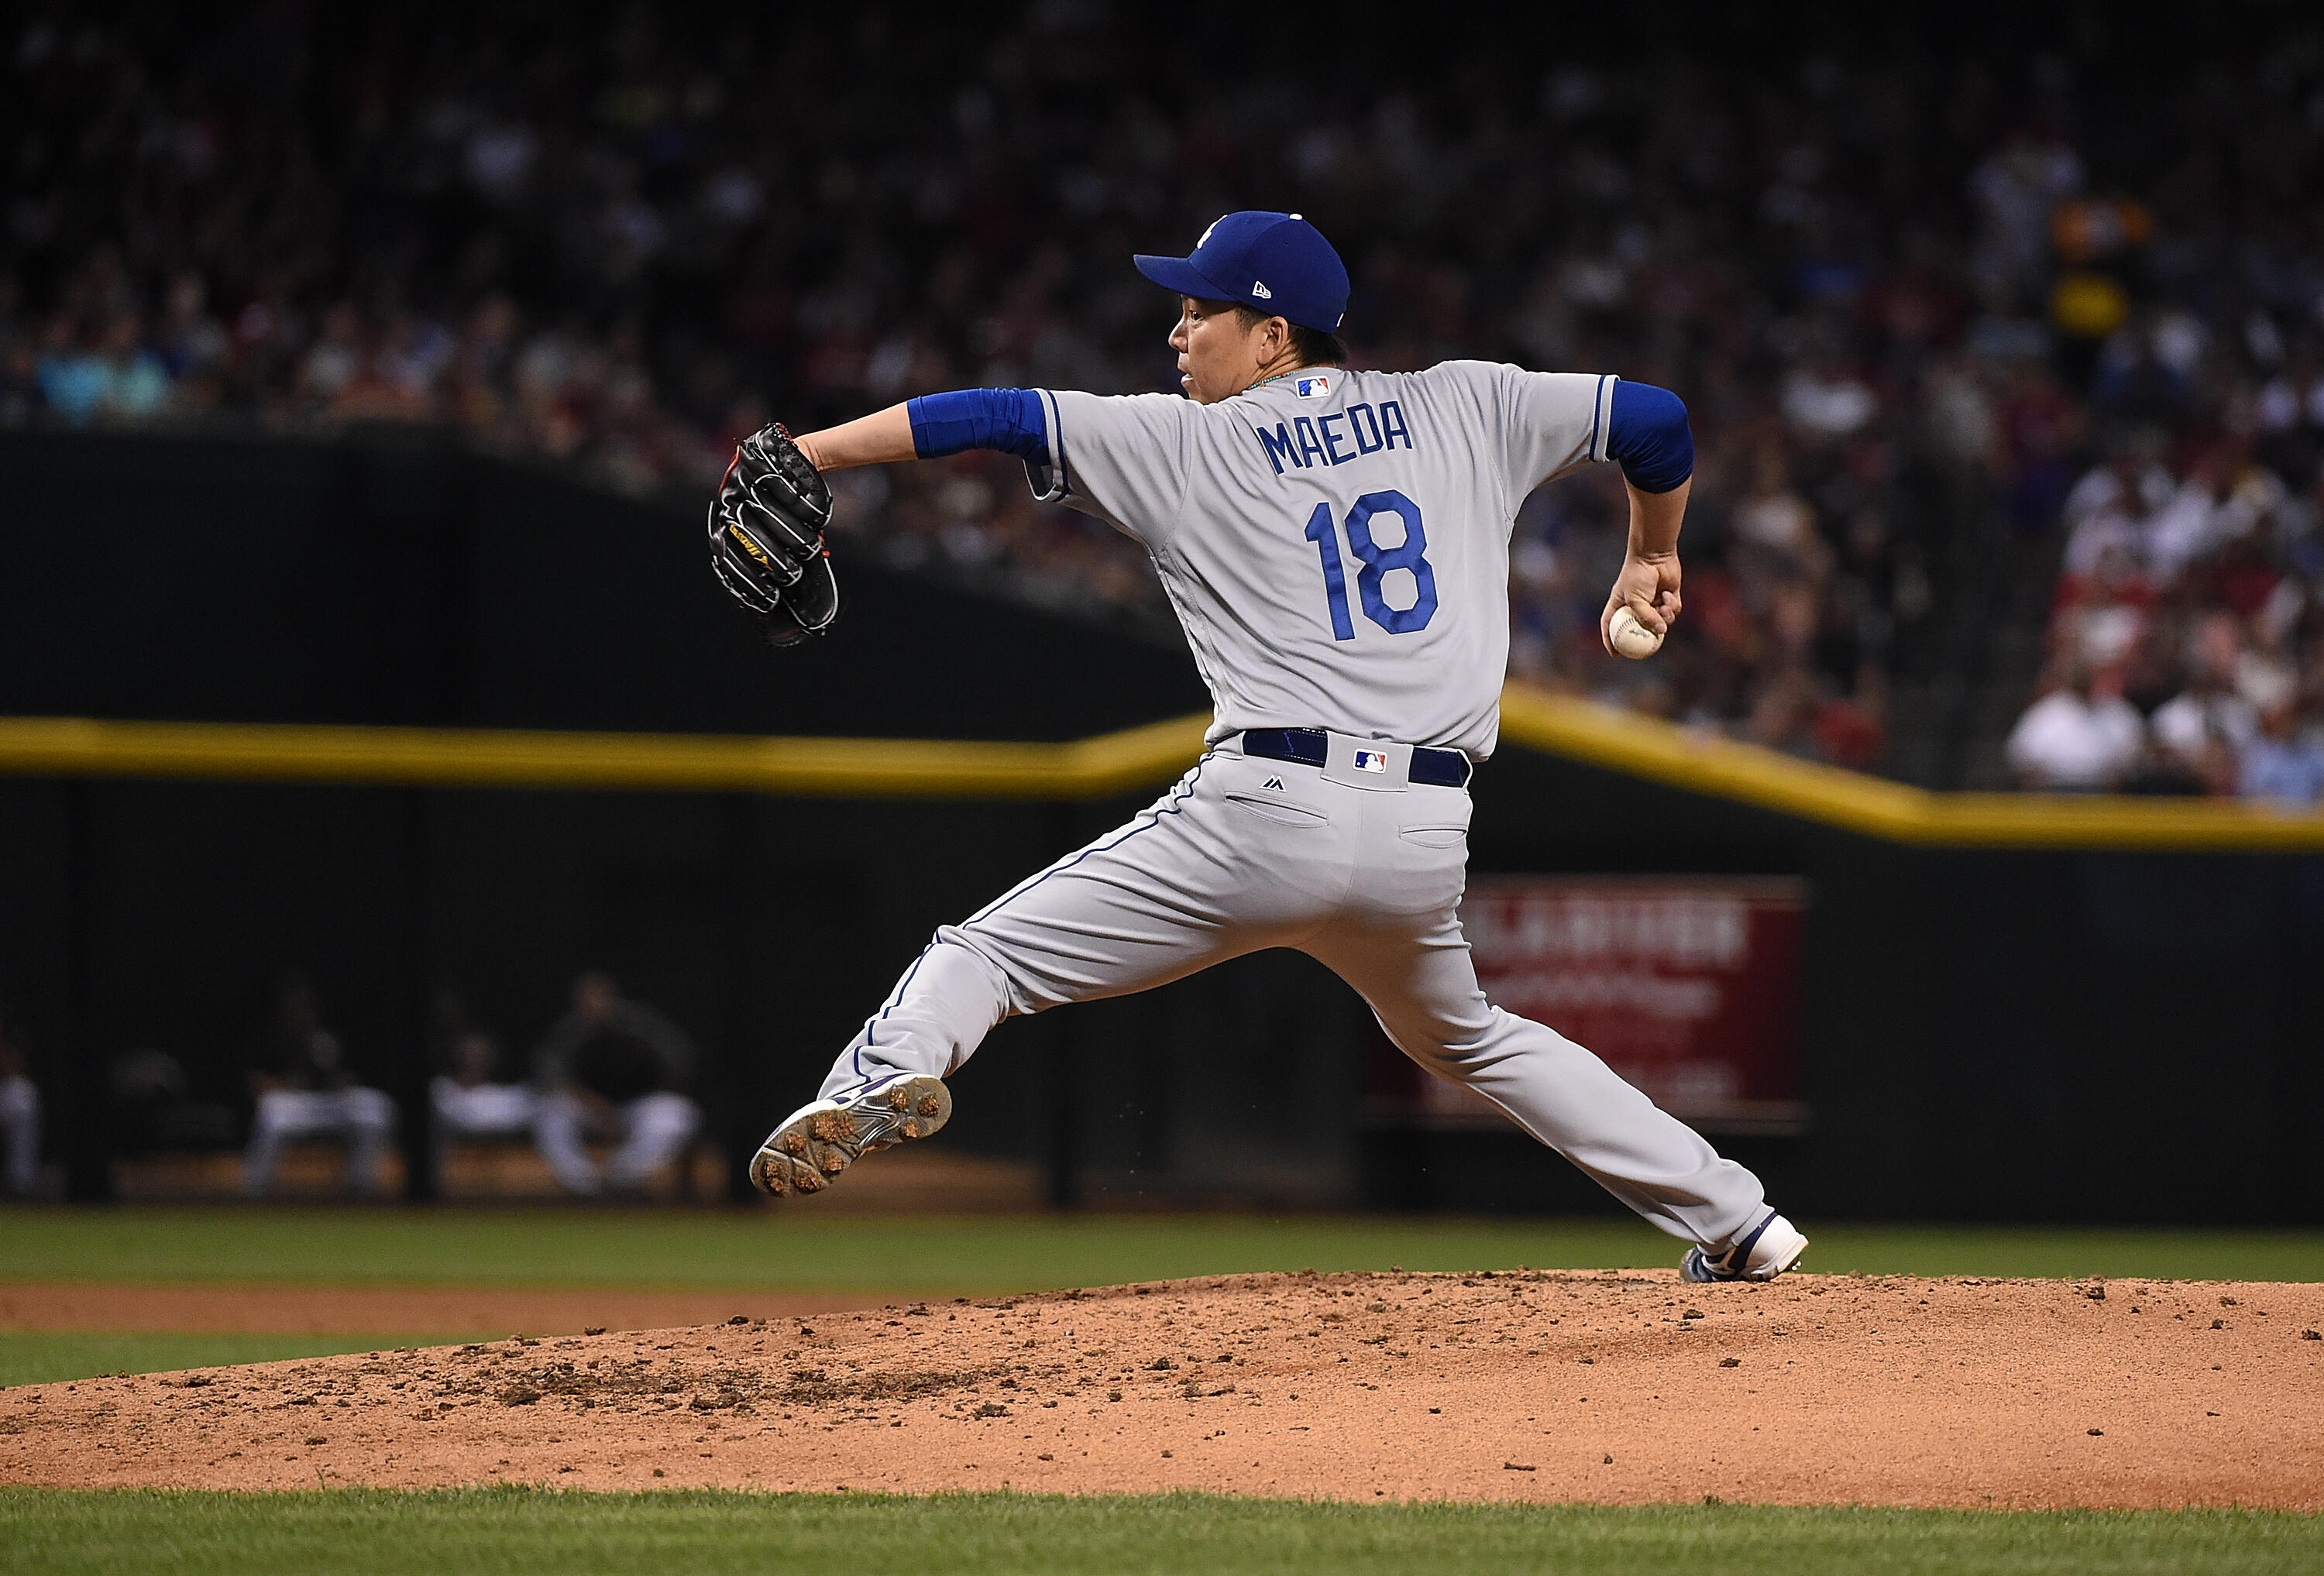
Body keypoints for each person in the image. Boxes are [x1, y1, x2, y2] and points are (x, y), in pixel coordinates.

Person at [720, 211, 1807, 1282]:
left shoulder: (1180, 439)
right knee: (1468, 1033)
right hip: (1426, 828)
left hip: (1267, 809)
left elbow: (994, 414)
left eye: (1201, 311)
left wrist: (809, 453)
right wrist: (1649, 554)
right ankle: (1739, 1220)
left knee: (985, 954)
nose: (1178, 333)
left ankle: (883, 1074)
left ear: (1273, 333)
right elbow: (1657, 420)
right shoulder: (1468, 401)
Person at [531, 972, 700, 1196]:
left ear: (612, 998)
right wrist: (596, 1106)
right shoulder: (569, 1032)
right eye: (586, 999)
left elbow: (679, 1061)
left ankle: (622, 1177)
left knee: (679, 1115)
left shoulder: (639, 1026)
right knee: (550, 1111)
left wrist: (656, 1092)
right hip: (588, 1110)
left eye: (599, 997)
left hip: (636, 1107)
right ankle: (582, 1184)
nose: (593, 1004)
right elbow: (550, 1078)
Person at [242, 976, 397, 1197]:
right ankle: (255, 1192)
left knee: (377, 1108)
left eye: (304, 1006)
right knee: (270, 1111)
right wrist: (286, 1085)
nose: (299, 1012)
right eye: (293, 1006)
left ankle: (360, 1188)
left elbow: (347, 1076)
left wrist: (343, 1082)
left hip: (330, 1103)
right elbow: (256, 1084)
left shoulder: (325, 1038)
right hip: (293, 1104)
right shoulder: (272, 1039)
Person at [2003, 655, 2145, 791]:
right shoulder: (2046, 713)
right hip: (2054, 796)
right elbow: (2022, 759)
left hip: (2105, 796)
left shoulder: (2118, 712)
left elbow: (2135, 759)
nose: (2084, 679)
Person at [428, 1025, 538, 1184]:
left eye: (480, 1054)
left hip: (503, 1168)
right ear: (458, 1055)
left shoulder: (504, 1095)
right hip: (449, 1163)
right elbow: (451, 1120)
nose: (474, 1059)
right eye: (470, 1053)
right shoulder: (442, 1089)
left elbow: (522, 1115)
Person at [0, 1015, 40, 1198]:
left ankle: (21, 1184)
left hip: (6, 1089)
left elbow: (15, 1066)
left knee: (23, 1097)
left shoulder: (13, 1030)